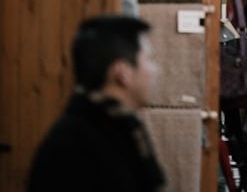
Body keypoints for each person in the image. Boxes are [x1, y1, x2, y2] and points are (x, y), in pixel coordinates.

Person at [28, 15, 166, 192]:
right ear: (122, 73)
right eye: (149, 59)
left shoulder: (120, 128)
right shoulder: (74, 146)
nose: (156, 70)